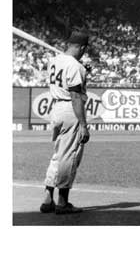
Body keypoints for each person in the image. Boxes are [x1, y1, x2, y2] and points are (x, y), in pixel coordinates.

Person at [40, 31, 91, 214]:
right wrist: (83, 125)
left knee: (58, 155)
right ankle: (62, 202)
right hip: (71, 109)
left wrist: (82, 70)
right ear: (82, 47)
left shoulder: (54, 61)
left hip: (56, 109)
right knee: (69, 156)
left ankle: (48, 199)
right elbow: (76, 96)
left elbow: (66, 78)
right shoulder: (75, 66)